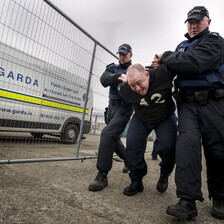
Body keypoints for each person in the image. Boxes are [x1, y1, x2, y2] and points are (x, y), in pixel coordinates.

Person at [151, 6, 224, 220]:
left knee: (217, 150)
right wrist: (158, 66)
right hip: (187, 105)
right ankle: (187, 200)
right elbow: (172, 69)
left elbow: (194, 63)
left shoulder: (215, 41)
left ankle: (220, 197)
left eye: (197, 21)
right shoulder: (181, 47)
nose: (193, 25)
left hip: (214, 103)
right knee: (187, 148)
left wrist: (166, 56)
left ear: (208, 21)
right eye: (190, 22)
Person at [118, 63, 177, 196]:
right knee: (132, 145)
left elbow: (178, 64)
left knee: (168, 146)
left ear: (147, 74)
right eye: (133, 85)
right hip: (142, 118)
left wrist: (164, 59)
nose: (137, 88)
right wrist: (127, 83)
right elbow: (123, 88)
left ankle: (164, 173)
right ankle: (136, 180)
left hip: (164, 117)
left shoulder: (163, 74)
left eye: (139, 83)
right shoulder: (125, 89)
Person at [88, 44, 134, 191]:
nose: (122, 56)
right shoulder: (112, 68)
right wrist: (118, 77)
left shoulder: (134, 70)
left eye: (125, 54)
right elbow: (103, 80)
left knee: (107, 134)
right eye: (120, 54)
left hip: (125, 108)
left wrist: (128, 79)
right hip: (111, 107)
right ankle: (130, 161)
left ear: (130, 55)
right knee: (113, 138)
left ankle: (102, 174)